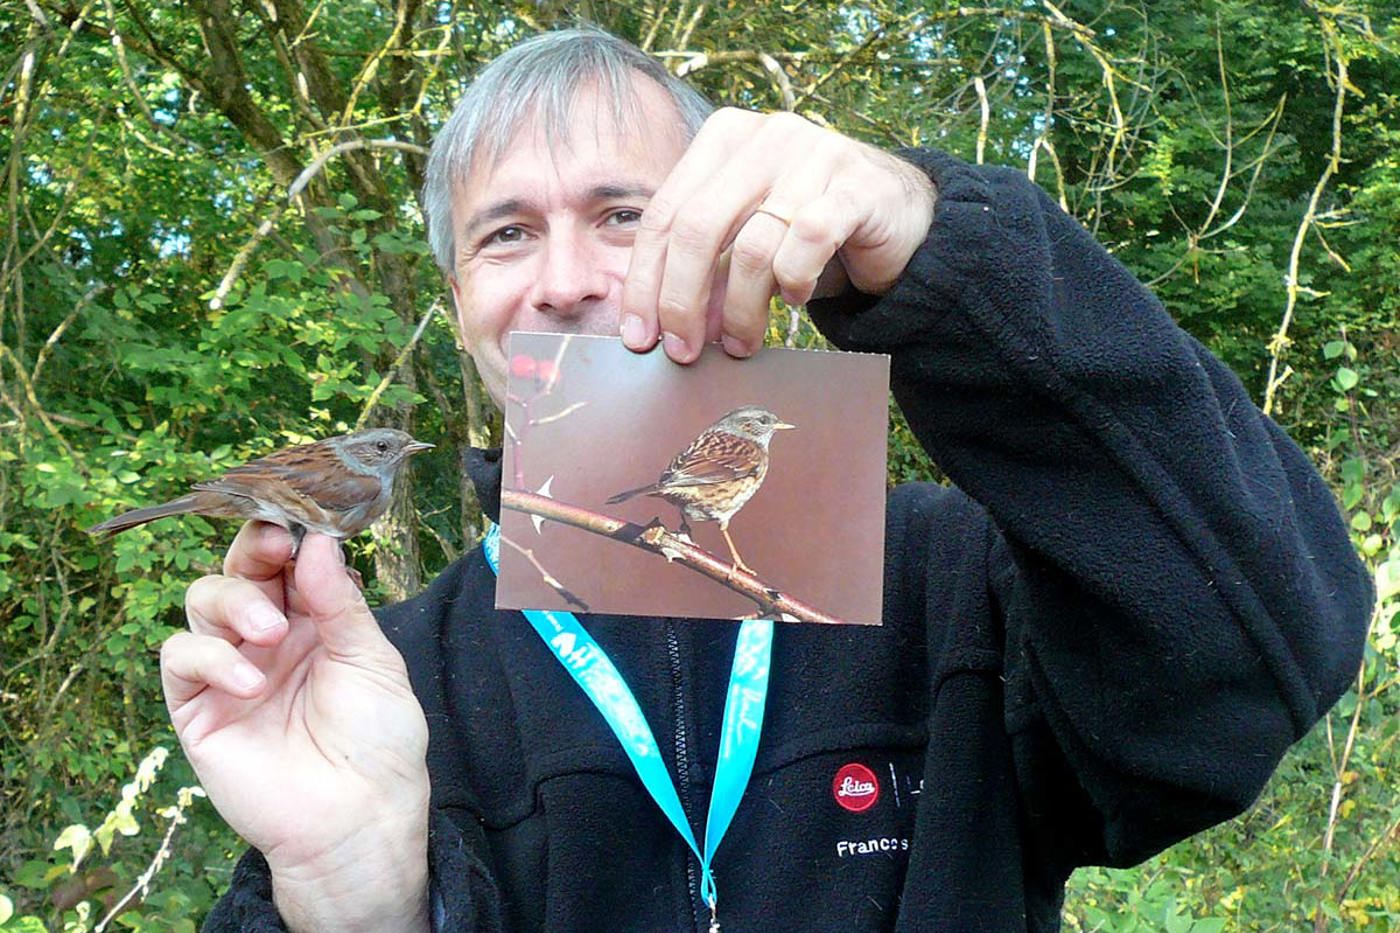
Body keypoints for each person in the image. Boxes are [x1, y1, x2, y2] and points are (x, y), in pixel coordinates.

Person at [166, 26, 1373, 933]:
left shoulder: (958, 574)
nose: (567, 278)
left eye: (624, 212)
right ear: (460, 306)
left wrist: (946, 259)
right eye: (506, 233)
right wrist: (350, 894)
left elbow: (1258, 660)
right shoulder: (386, 682)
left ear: (734, 230)